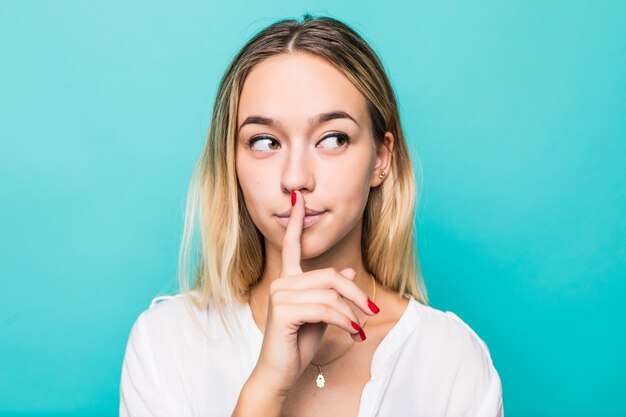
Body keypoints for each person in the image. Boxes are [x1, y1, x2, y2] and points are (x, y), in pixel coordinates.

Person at [119, 14, 503, 417]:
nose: (295, 178)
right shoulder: (165, 345)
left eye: (333, 139)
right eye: (265, 142)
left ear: (381, 158)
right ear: (232, 163)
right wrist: (266, 386)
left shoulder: (452, 361)